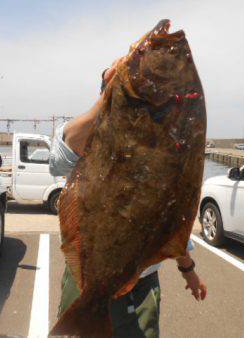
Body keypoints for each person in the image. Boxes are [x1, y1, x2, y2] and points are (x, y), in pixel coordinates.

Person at [49, 61, 207, 338]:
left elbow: (171, 221)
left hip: (142, 283)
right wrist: (111, 92)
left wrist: (188, 270)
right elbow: (59, 162)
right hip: (87, 281)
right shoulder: (89, 135)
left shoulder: (161, 148)